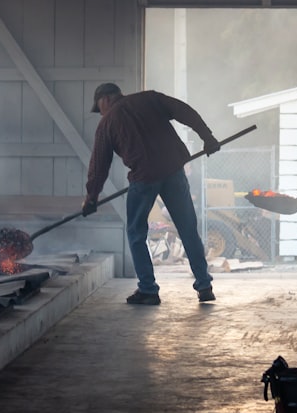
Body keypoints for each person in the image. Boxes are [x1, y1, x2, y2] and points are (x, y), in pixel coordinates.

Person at [82, 82, 221, 306]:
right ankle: (204, 286)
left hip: (144, 178)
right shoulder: (149, 99)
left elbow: (99, 165)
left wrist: (91, 198)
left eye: (99, 108)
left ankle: (148, 290)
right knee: (187, 229)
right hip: (173, 171)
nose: (101, 113)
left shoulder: (107, 123)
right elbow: (185, 112)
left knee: (136, 233)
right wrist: (208, 137)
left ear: (105, 99)